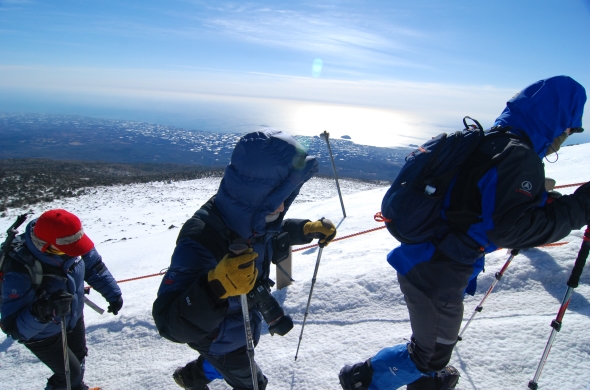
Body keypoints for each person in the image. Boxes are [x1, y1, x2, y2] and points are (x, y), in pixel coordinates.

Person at [339, 75, 590, 390]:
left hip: (427, 258)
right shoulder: (517, 155)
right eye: (568, 129)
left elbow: (477, 203)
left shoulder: (491, 142)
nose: (565, 138)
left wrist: (539, 200)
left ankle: (424, 380)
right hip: (438, 271)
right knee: (429, 355)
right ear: (554, 122)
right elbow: (509, 229)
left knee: (433, 342)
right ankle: (363, 381)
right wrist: (579, 208)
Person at [152, 129, 337, 390]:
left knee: (226, 364)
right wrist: (216, 286)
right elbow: (169, 324)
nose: (283, 207)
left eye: (284, 198)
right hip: (219, 337)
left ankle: (191, 377)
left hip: (241, 325)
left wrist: (305, 229)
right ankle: (197, 375)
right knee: (253, 384)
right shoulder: (203, 237)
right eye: (276, 200)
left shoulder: (250, 219)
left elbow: (266, 238)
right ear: (255, 197)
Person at [0, 209, 123, 390]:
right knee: (68, 374)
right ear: (45, 245)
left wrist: (113, 294)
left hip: (72, 316)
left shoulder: (70, 239)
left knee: (79, 358)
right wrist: (43, 311)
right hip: (42, 332)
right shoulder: (18, 267)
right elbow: (15, 328)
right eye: (66, 250)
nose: (74, 253)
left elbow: (94, 267)